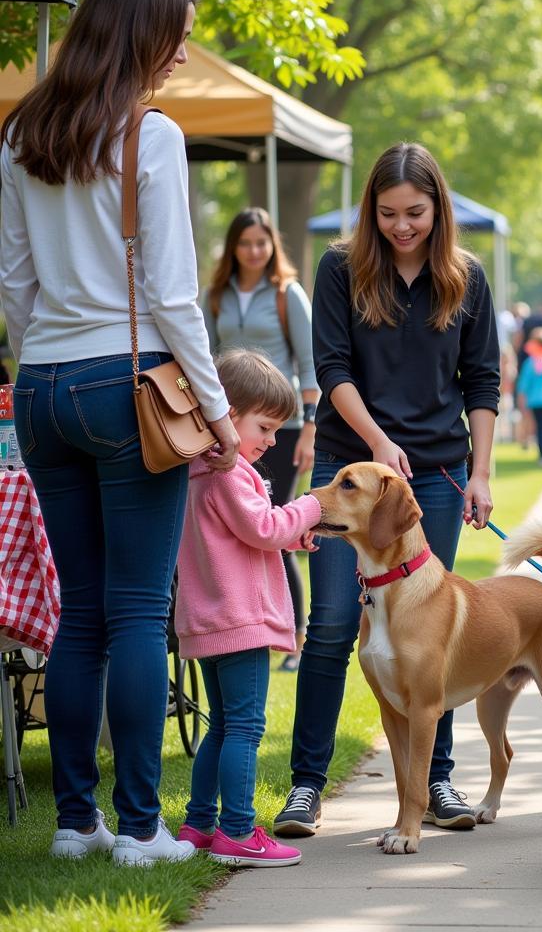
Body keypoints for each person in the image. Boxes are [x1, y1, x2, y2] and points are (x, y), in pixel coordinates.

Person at [0, 0, 239, 864]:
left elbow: (13, 282)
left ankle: (74, 823)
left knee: (82, 616)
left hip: (43, 387)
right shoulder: (150, 135)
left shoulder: (25, 130)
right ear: (141, 30)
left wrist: (45, 359)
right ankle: (140, 829)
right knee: (139, 611)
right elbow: (174, 295)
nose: (183, 49)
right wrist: (218, 416)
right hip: (128, 381)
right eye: (177, 30)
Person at [273, 142, 500, 837]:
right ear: (372, 210)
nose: (403, 226)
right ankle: (306, 785)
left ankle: (437, 784)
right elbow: (332, 368)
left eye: (417, 213)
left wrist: (482, 472)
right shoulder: (341, 269)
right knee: (336, 623)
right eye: (390, 213)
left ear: (439, 210)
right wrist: (375, 443)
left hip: (431, 477)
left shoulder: (466, 276)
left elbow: (483, 381)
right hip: (351, 470)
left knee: (433, 639)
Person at [174, 349, 322, 866]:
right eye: (265, 426)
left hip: (210, 619)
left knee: (220, 725)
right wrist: (314, 506)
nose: (272, 440)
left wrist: (293, 535)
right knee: (244, 728)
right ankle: (238, 832)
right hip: (240, 622)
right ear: (227, 412)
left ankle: (198, 825)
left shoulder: (196, 470)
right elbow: (262, 527)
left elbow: (246, 536)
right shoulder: (229, 471)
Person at [204, 207, 319, 672]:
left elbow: (310, 363)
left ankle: (295, 633)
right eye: (245, 242)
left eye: (262, 242)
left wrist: (311, 425)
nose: (254, 250)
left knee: (274, 523)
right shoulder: (216, 296)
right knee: (234, 528)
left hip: (281, 426)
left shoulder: (285, 294)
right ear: (233, 247)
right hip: (227, 422)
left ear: (273, 245)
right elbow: (207, 359)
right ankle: (240, 625)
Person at [515, 326, 542, 465]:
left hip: (535, 401)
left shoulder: (529, 363)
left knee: (540, 428)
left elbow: (523, 386)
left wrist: (522, 403)